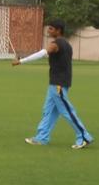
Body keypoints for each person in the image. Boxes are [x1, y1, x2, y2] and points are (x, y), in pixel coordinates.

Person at [12, 18, 93, 149]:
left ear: (58, 30)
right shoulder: (66, 44)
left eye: (51, 28)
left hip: (58, 84)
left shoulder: (57, 44)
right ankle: (42, 137)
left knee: (67, 111)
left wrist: (21, 61)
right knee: (48, 111)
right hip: (56, 83)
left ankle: (84, 136)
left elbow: (42, 53)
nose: (48, 31)